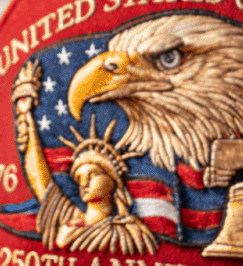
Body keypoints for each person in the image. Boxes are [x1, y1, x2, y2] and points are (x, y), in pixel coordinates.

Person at [11, 60, 158, 255]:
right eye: (80, 178)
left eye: (93, 175)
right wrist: (26, 116)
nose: (85, 184)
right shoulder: (70, 219)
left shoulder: (129, 231)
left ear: (114, 180)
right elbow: (41, 181)